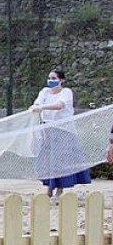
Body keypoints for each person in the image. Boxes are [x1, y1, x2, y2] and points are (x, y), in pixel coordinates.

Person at [31, 69, 90, 197]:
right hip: (46, 130)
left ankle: (59, 189)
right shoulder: (44, 91)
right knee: (47, 160)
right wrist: (36, 107)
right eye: (49, 78)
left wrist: (42, 107)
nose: (51, 81)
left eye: (54, 78)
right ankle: (48, 188)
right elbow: (37, 103)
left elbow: (60, 105)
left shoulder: (66, 92)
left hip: (63, 131)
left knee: (60, 161)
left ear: (61, 80)